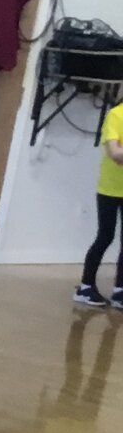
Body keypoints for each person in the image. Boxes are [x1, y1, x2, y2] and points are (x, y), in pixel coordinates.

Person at [74, 98, 123, 308]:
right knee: (105, 236)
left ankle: (120, 291)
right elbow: (115, 153)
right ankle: (85, 287)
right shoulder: (116, 115)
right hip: (110, 189)